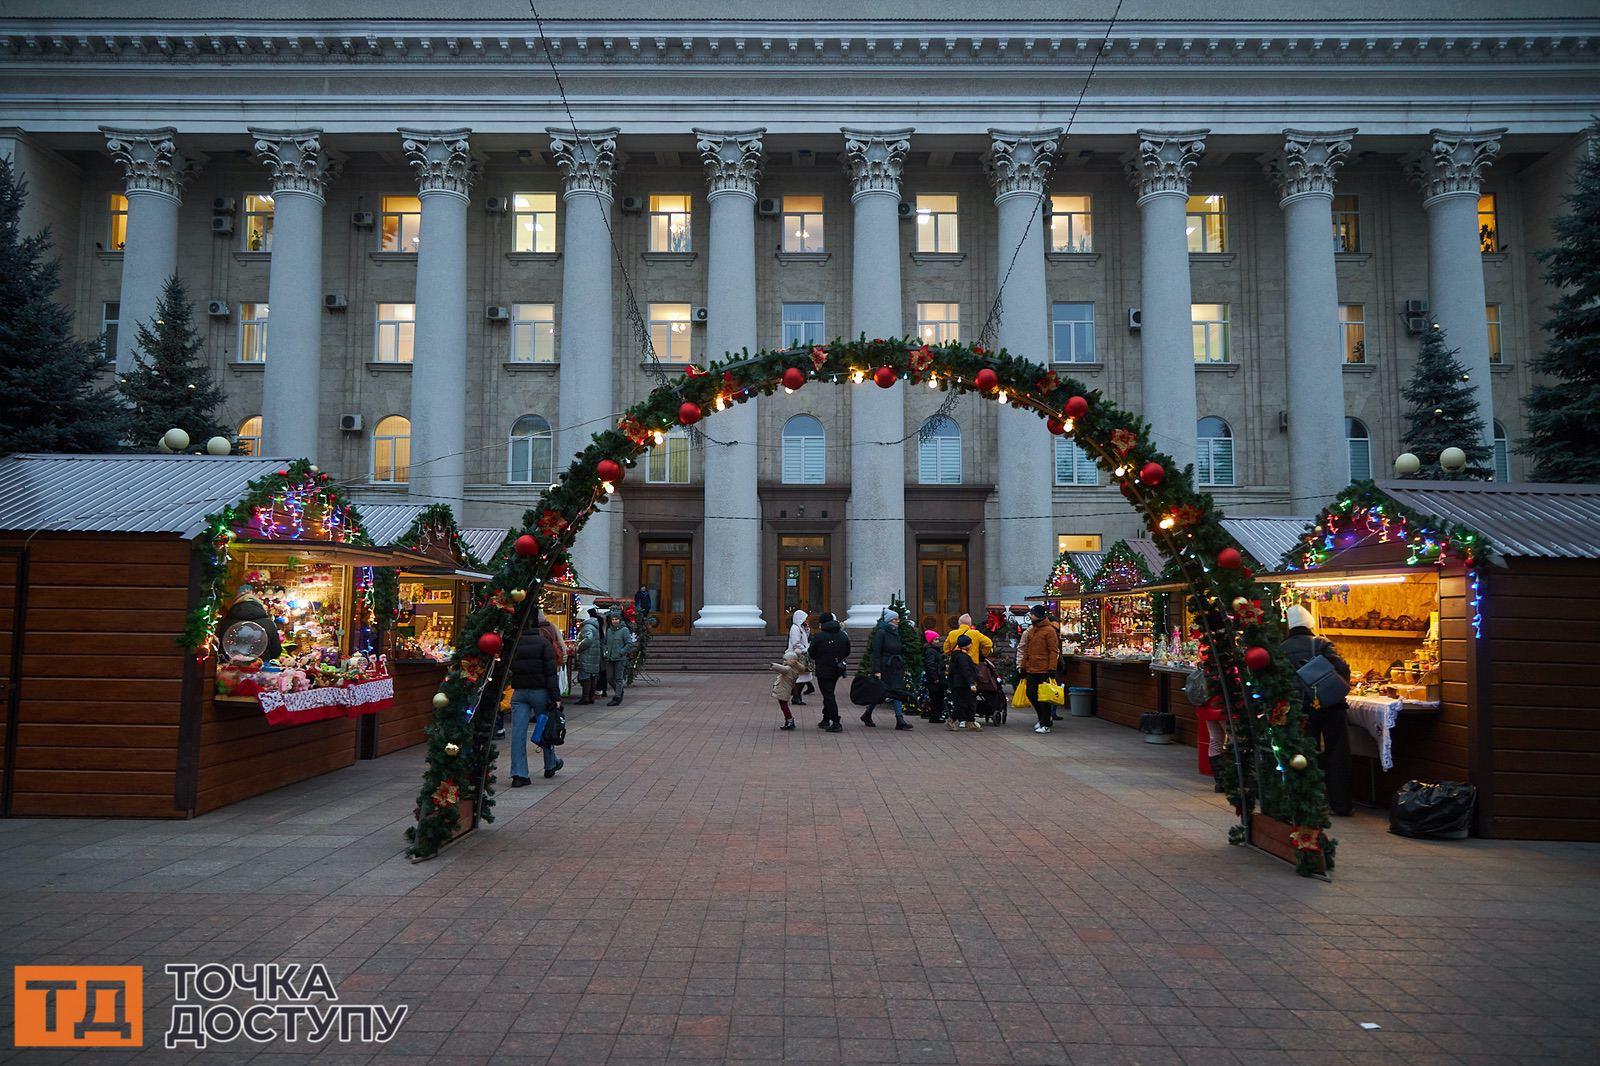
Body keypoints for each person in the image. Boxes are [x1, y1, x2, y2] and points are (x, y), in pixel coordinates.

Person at [1282, 604, 1354, 816]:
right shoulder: (1321, 643)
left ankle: (1309, 802)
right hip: (1331, 706)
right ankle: (1341, 804)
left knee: (1305, 754)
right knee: (1337, 752)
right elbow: (1342, 669)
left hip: (1300, 709)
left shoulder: (1281, 649)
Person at [507, 614, 563, 786]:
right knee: (545, 727)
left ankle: (519, 773)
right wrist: (556, 697)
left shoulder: (514, 644)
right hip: (540, 692)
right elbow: (550, 672)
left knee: (518, 733)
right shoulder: (544, 643)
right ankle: (550, 764)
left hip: (519, 693)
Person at [862, 607, 913, 731]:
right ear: (890, 620)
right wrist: (877, 670)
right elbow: (876, 652)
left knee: (895, 691)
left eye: (898, 619)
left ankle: (898, 720)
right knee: (882, 692)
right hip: (885, 666)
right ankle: (869, 714)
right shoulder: (881, 632)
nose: (898, 621)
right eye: (895, 619)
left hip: (895, 666)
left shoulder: (896, 632)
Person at [1020, 604, 1062, 734]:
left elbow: (1053, 651)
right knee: (1031, 693)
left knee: (1043, 697)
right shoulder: (1032, 630)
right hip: (1031, 668)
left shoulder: (1049, 631)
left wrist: (1052, 668)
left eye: (1032, 614)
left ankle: (1045, 723)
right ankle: (1042, 719)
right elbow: (1026, 649)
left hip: (1043, 669)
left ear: (1038, 615)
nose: (1030, 616)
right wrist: (1022, 666)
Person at [809, 612, 850, 732]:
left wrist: (821, 658)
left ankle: (836, 722)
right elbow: (847, 651)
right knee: (829, 693)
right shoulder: (842, 635)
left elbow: (811, 653)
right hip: (837, 669)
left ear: (822, 623)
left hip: (823, 669)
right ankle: (825, 719)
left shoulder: (819, 636)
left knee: (828, 695)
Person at [601, 607, 637, 706]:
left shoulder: (624, 630)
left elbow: (629, 644)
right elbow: (605, 643)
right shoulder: (609, 630)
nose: (615, 621)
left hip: (620, 658)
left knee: (618, 678)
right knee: (609, 678)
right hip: (609, 658)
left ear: (620, 620)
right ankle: (619, 690)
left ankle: (617, 697)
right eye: (613, 619)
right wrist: (605, 651)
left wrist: (622, 652)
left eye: (616, 619)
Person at [946, 633, 980, 731]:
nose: (971, 645)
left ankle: (970, 722)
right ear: (965, 645)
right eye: (969, 643)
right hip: (961, 684)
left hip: (960, 683)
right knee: (962, 704)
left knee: (969, 703)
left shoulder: (959, 655)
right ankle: (951, 720)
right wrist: (971, 683)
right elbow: (966, 671)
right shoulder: (962, 657)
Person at [769, 649, 809, 731]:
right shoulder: (795, 668)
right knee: (784, 706)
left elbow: (782, 668)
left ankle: (790, 720)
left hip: (783, 689)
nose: (784, 661)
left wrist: (773, 665)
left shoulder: (789, 668)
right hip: (786, 689)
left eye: (785, 660)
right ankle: (788, 721)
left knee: (784, 706)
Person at [573, 608, 603, 705]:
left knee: (585, 676)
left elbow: (588, 639)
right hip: (593, 655)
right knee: (592, 676)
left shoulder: (586, 627)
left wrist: (579, 647)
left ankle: (585, 698)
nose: (577, 622)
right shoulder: (593, 626)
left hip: (587, 655)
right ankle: (591, 697)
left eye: (578, 620)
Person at [785, 609, 814, 705]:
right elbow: (796, 642)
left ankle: (797, 696)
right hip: (798, 655)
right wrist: (805, 650)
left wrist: (807, 630)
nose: (806, 620)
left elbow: (805, 639)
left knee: (804, 676)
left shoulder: (801, 627)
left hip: (802, 654)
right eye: (804, 618)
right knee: (801, 676)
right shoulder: (795, 628)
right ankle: (796, 697)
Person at [921, 629, 947, 722]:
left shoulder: (935, 650)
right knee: (935, 698)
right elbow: (930, 665)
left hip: (938, 676)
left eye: (938, 639)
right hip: (935, 678)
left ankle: (937, 716)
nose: (938, 642)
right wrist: (935, 677)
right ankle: (935, 717)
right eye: (935, 639)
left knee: (938, 697)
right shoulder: (930, 651)